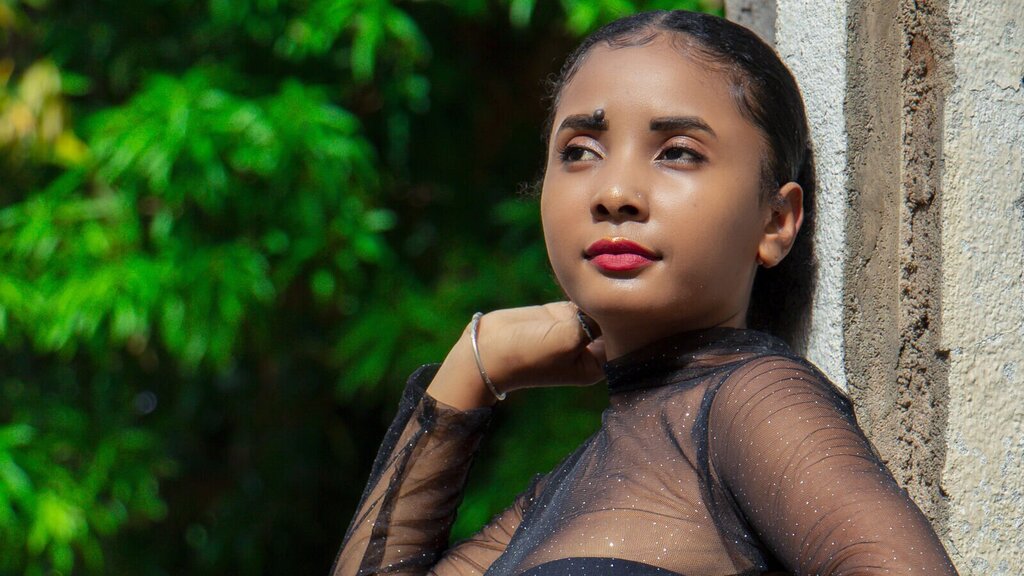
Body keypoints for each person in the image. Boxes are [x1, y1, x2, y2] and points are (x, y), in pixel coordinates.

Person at [330, 10, 959, 576]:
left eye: (677, 153)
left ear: (775, 222)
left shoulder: (748, 401)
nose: (615, 193)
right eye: (581, 151)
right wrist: (474, 364)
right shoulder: (566, 487)